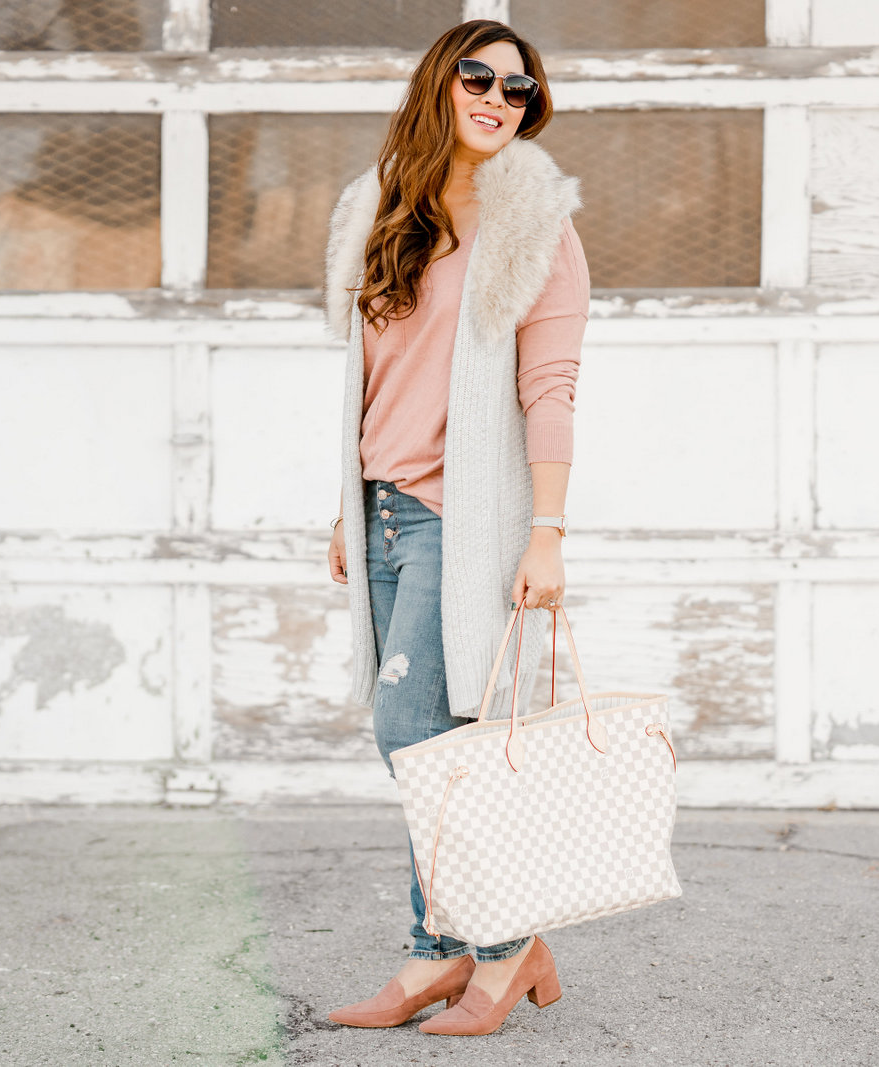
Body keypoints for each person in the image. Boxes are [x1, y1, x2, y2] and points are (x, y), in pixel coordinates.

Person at [320, 18, 589, 1037]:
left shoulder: (534, 226)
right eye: (475, 76)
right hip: (383, 510)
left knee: (418, 741)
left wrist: (548, 530)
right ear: (438, 84)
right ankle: (440, 954)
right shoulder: (380, 209)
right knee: (430, 742)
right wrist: (345, 505)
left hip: (459, 519)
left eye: (516, 89)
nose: (494, 96)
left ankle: (504, 944)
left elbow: (550, 388)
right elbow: (370, 382)